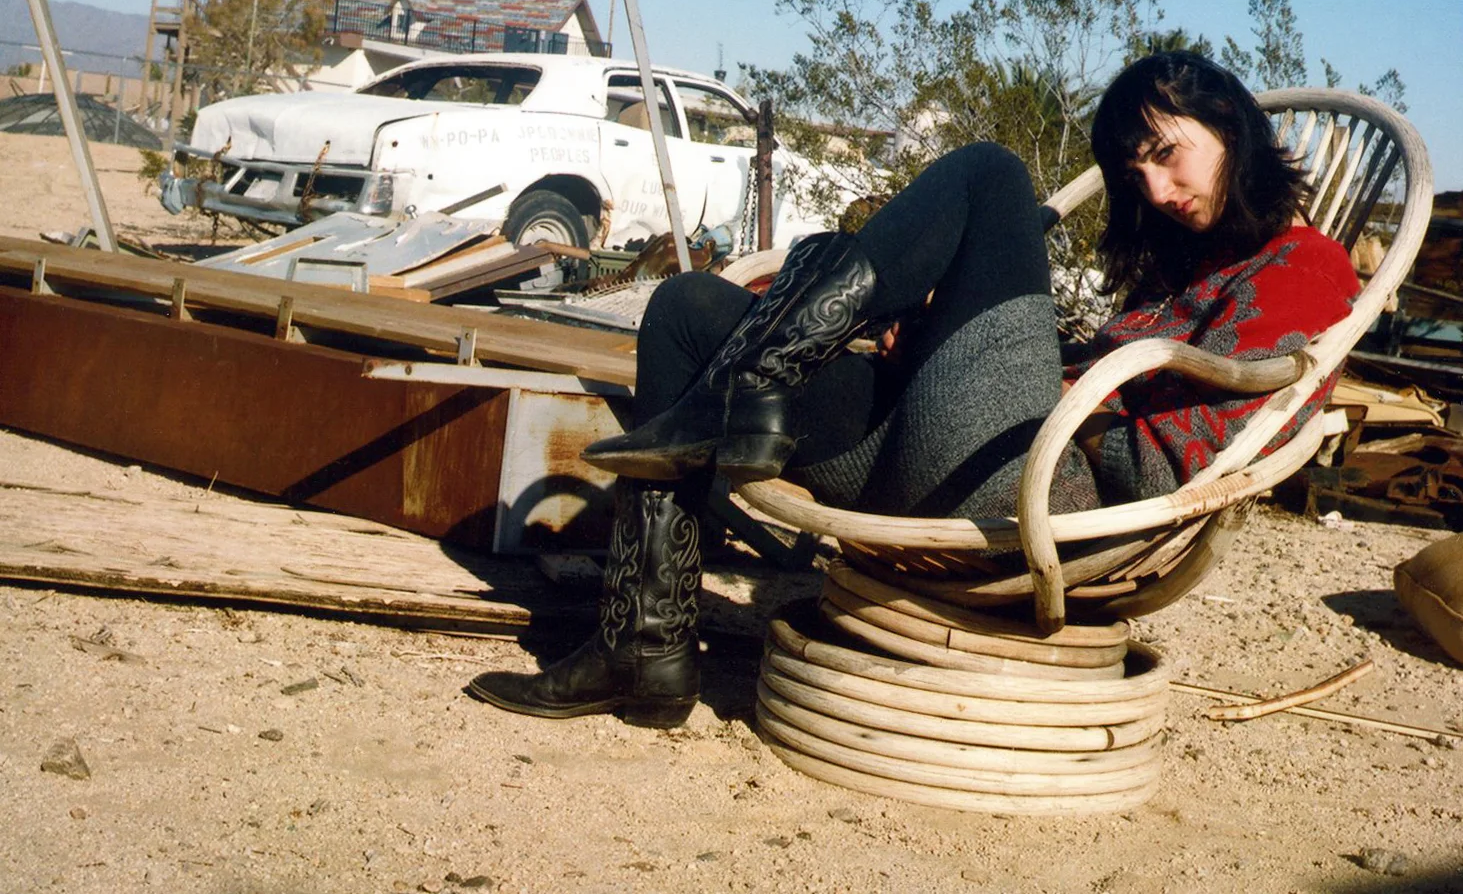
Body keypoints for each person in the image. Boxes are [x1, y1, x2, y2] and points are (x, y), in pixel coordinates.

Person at [466, 51, 1359, 726]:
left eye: (1169, 154)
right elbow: (1090, 378)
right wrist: (947, 345)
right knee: (689, 308)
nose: (1157, 189)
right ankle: (644, 648)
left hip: (1046, 504)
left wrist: (1043, 373)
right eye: (1138, 174)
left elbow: (1164, 468)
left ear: (1232, 131)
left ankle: (758, 379)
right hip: (957, 460)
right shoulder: (1181, 274)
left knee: (989, 174)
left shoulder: (1304, 265)